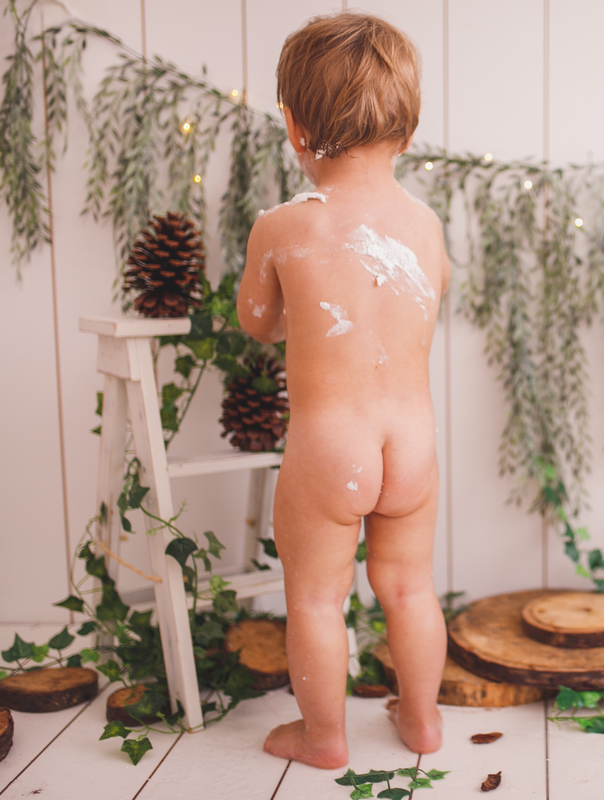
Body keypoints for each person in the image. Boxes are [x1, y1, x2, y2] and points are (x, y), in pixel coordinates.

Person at [237, 12, 448, 767]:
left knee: (316, 598)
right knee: (410, 589)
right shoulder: (424, 225)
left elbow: (258, 322)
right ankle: (422, 720)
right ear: (409, 131)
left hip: (330, 447)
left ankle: (323, 737)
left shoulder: (283, 227)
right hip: (412, 445)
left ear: (295, 128)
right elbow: (433, 293)